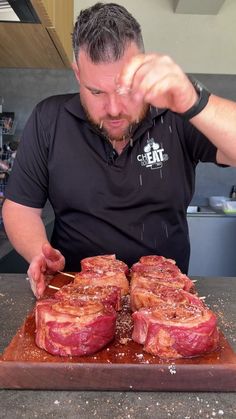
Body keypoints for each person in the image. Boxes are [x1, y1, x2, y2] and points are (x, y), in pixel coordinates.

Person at [2, 3, 236, 298]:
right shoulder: (49, 118)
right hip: (76, 297)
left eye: (125, 89)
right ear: (77, 74)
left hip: (166, 300)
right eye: (97, 92)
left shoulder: (176, 114)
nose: (113, 109)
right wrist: (39, 251)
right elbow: (20, 207)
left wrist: (195, 101)